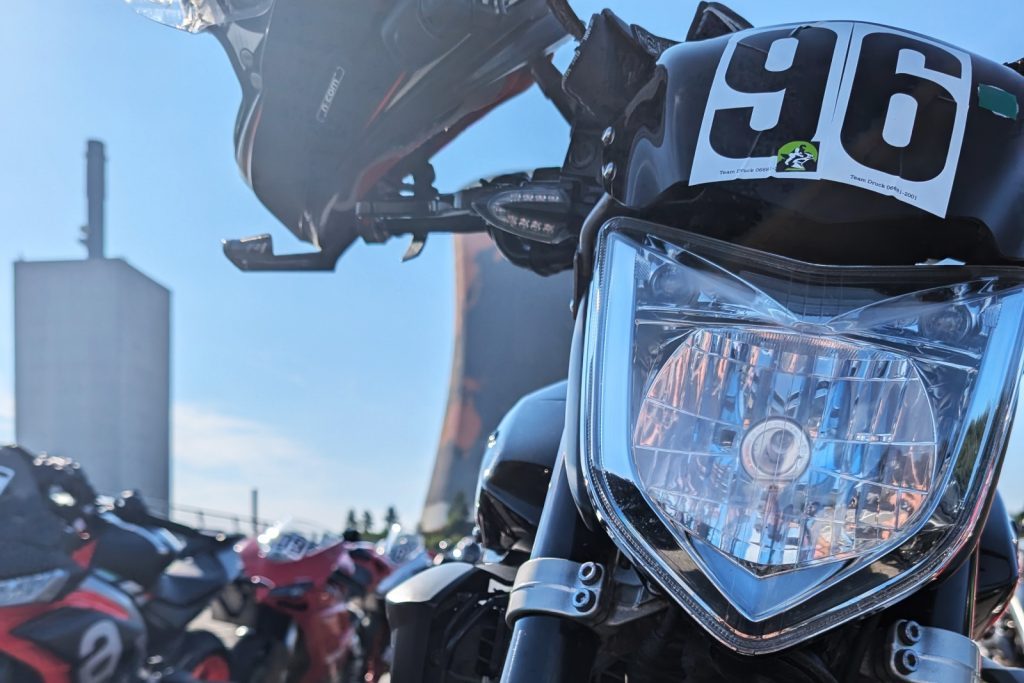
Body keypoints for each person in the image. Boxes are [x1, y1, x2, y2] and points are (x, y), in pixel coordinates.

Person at [0, 445, 97, 580]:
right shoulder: (10, 456)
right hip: (33, 546)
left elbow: (58, 474)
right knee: (76, 577)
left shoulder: (10, 457)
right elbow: (61, 474)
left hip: (27, 545)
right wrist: (82, 510)